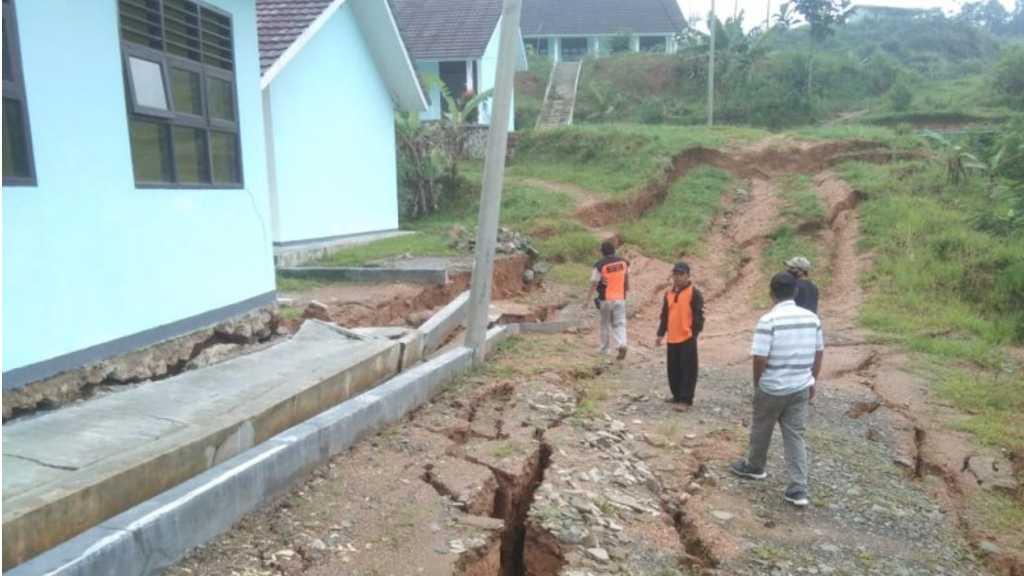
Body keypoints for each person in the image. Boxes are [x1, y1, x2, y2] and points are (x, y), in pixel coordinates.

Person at [731, 272, 824, 508]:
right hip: (801, 386)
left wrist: (758, 384)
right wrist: (812, 380)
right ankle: (798, 489)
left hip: (773, 386)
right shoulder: (812, 319)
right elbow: (819, 352)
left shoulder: (768, 321)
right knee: (795, 436)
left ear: (771, 294)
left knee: (762, 428)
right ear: (795, 292)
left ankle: (755, 466)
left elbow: (760, 357)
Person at [655, 262, 705, 409]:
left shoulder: (694, 293)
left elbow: (699, 316)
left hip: (687, 338)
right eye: (675, 274)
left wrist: (693, 333)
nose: (677, 277)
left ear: (688, 276)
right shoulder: (669, 294)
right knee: (673, 369)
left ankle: (685, 400)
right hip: (672, 337)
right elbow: (665, 315)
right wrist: (660, 334)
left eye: (681, 274)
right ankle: (676, 396)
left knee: (688, 370)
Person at [586, 241, 629, 359]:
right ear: (614, 250)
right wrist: (627, 288)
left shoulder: (600, 265)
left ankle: (605, 349)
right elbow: (626, 277)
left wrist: (587, 300)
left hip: (606, 299)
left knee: (605, 324)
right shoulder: (623, 262)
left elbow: (594, 283)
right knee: (620, 323)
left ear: (602, 252)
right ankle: (622, 344)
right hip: (620, 297)